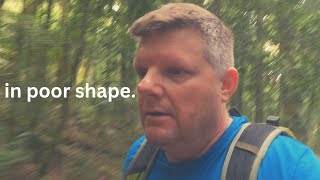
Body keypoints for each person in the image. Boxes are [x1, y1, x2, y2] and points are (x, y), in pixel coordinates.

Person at [123, 3, 320, 180]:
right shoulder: (139, 159)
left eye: (175, 71)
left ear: (225, 85)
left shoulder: (289, 167)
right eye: (142, 72)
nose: (144, 86)